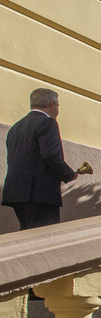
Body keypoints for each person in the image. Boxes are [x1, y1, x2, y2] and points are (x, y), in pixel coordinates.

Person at [2, 88, 79, 229]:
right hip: (40, 194)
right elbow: (51, 156)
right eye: (58, 105)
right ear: (52, 104)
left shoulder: (16, 127)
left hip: (16, 193)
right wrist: (69, 174)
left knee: (26, 235)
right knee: (43, 237)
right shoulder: (48, 123)